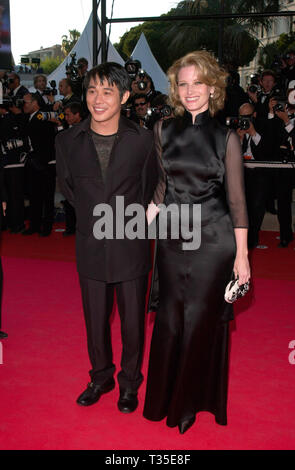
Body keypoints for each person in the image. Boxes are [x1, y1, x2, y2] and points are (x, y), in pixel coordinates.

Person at [143, 50, 250, 434]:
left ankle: (187, 405)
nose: (190, 91)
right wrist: (133, 229)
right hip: (172, 242)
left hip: (213, 242)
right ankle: (164, 397)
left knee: (198, 321)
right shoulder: (162, 130)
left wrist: (243, 258)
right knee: (171, 319)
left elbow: (237, 203)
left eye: (198, 83)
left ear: (212, 87)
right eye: (183, 84)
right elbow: (161, 189)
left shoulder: (227, 138)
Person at [56, 62, 157, 413]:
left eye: (108, 91)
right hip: (90, 242)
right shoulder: (67, 140)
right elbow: (68, 188)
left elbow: (151, 185)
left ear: (125, 96)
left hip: (131, 241)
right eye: (92, 91)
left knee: (132, 322)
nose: (98, 100)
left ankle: (130, 382)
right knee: (94, 318)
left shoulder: (144, 140)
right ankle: (101, 377)